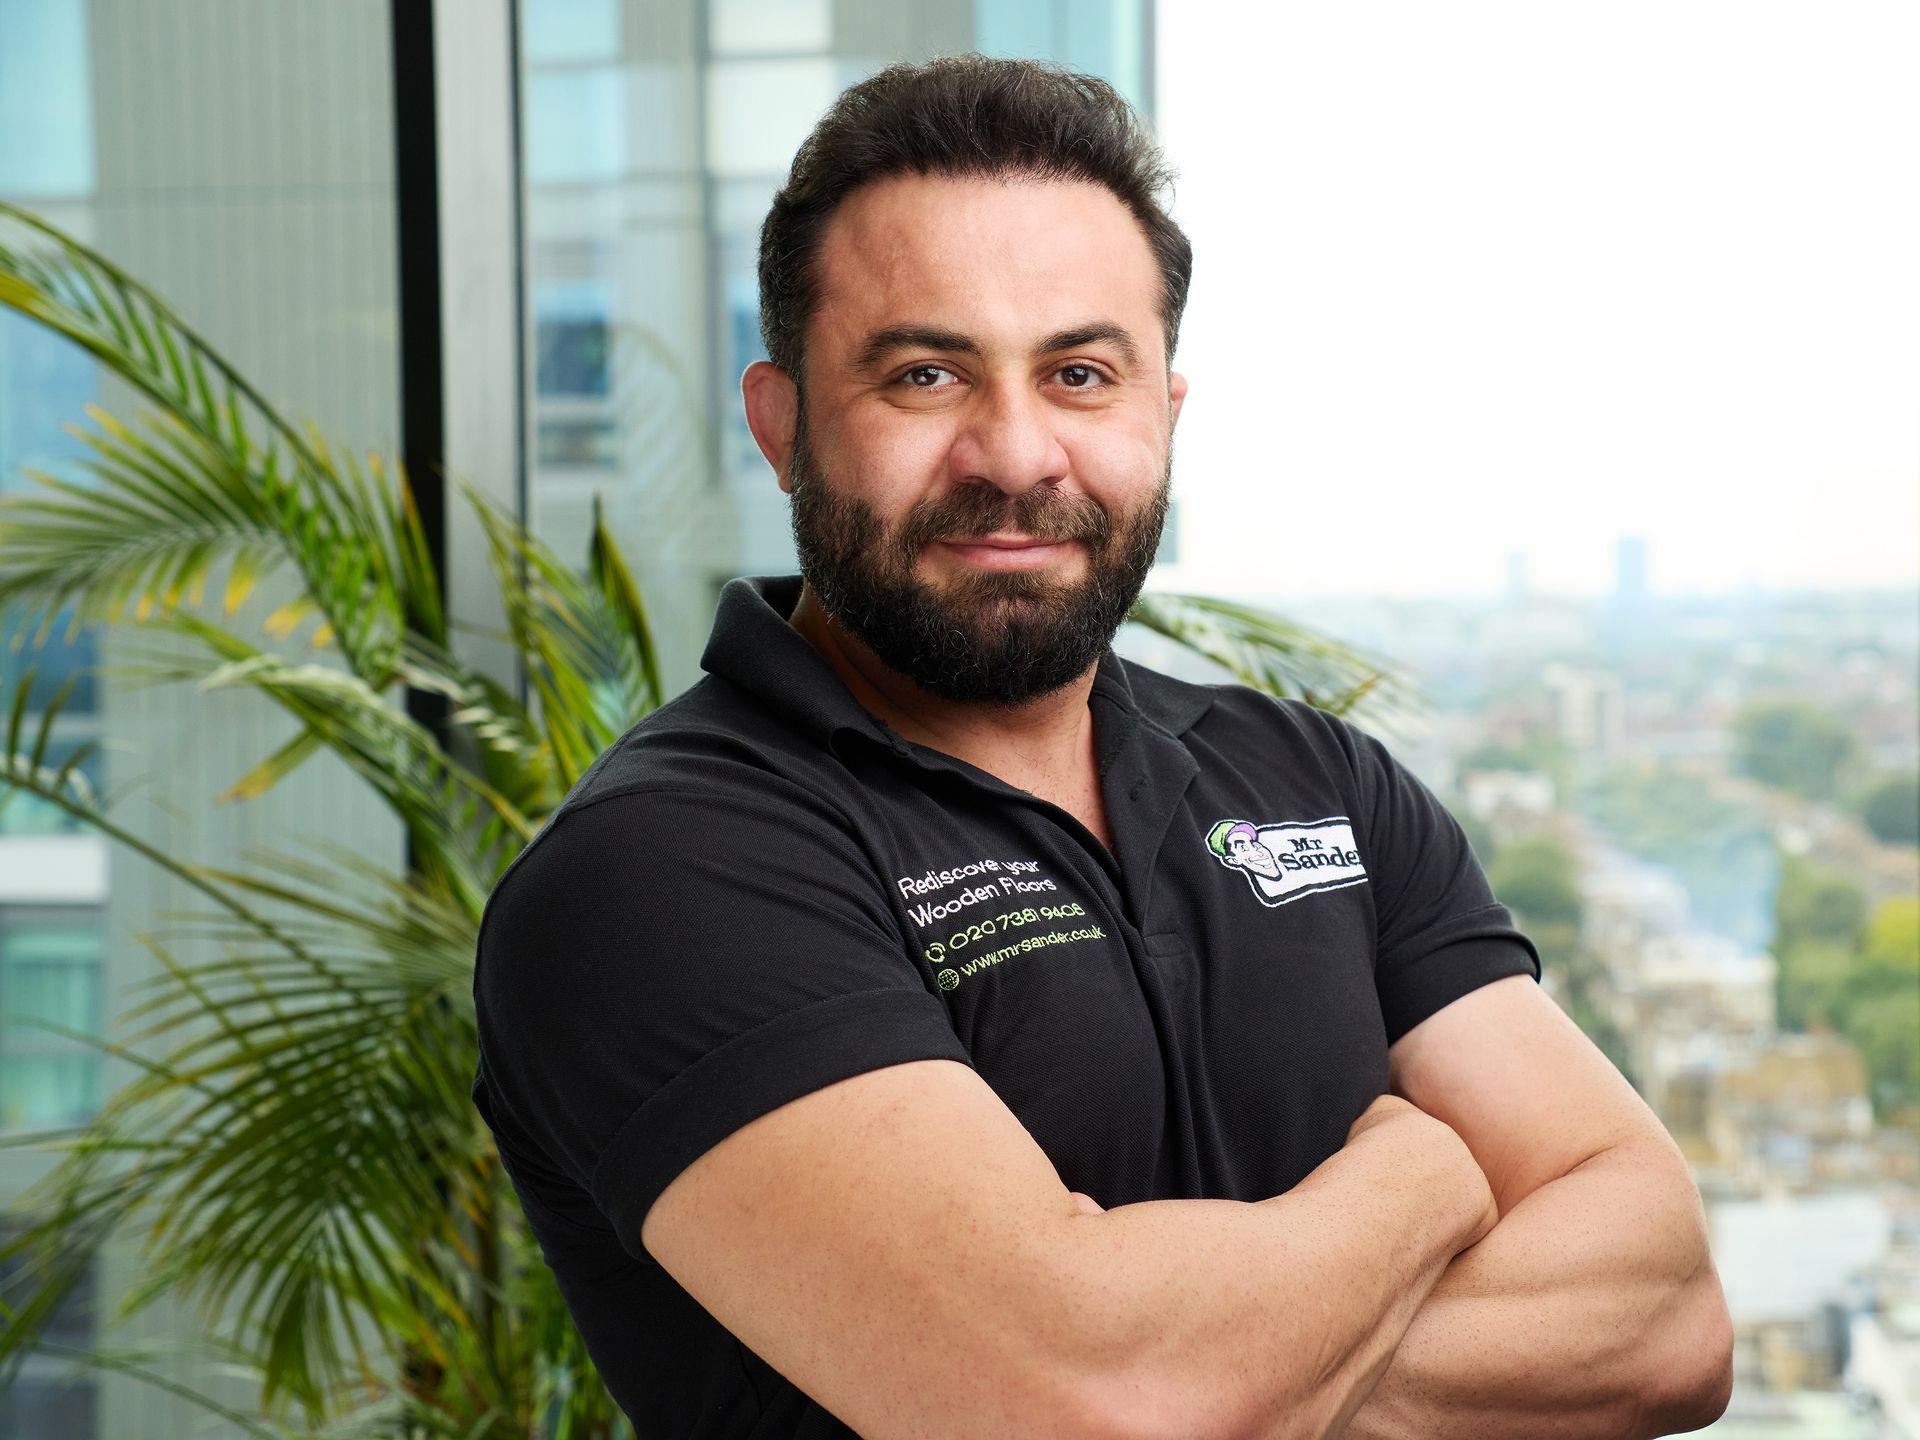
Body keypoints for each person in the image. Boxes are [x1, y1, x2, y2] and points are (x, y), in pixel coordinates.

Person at [470, 54, 1733, 1439]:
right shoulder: (666, 870)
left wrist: (1240, 1384)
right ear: (782, 427)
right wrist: (1420, 1176)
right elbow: (1096, 1406)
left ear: (1161, 415)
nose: (1015, 454)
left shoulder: (1322, 785)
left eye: (1079, 373)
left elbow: (1666, 1321)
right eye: (924, 373)